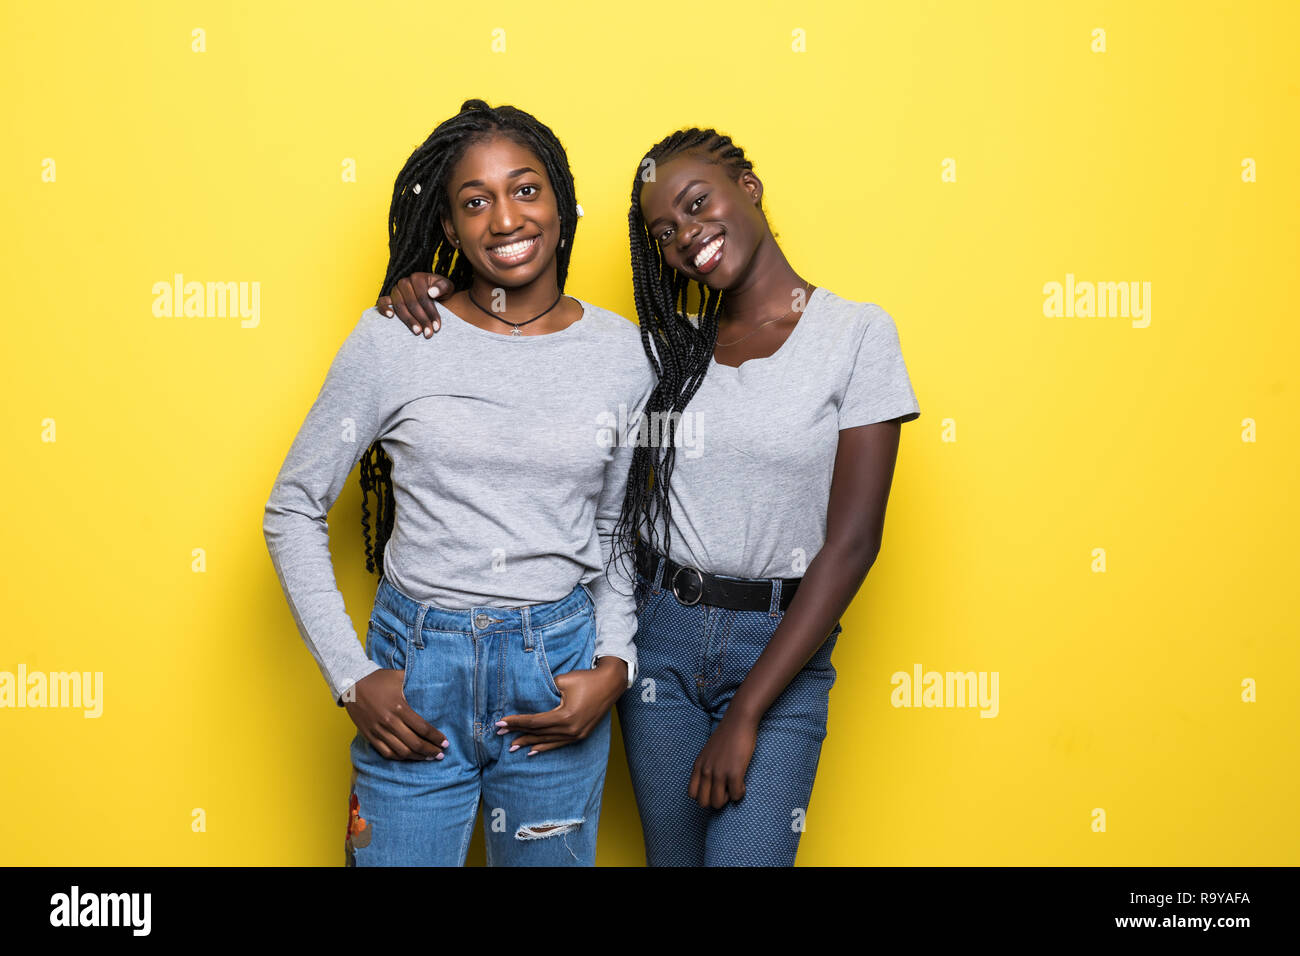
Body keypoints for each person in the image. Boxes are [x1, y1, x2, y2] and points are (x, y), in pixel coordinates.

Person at [379, 126, 920, 866]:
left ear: (749, 187)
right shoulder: (662, 348)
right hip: (659, 642)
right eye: (665, 232)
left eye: (698, 205)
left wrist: (749, 712)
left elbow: (854, 543)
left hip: (781, 647)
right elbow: (541, 365)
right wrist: (427, 285)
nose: (688, 237)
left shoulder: (856, 336)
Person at [262, 99, 654, 866]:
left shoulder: (622, 354)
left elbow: (614, 531)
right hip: (417, 672)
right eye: (475, 202)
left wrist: (613, 667)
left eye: (525, 190)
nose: (505, 218)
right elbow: (293, 507)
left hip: (557, 668)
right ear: (450, 229)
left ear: (563, 203)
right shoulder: (399, 337)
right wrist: (352, 676)